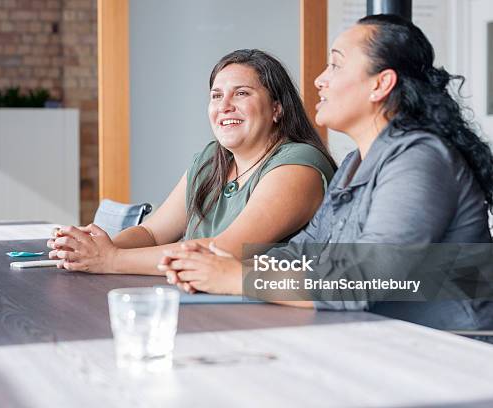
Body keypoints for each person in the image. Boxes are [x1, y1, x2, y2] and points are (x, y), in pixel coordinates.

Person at [161, 15, 493, 331]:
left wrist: (234, 277)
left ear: (381, 84)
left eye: (335, 65)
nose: (320, 80)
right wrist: (210, 262)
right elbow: (304, 252)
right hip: (387, 339)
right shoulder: (354, 164)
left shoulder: (421, 159)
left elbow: (366, 279)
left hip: (456, 348)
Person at [49, 49, 336, 275]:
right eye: (216, 95)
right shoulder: (211, 160)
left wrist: (111, 259)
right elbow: (152, 232)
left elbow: (225, 251)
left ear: (277, 108)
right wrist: (92, 248)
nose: (224, 106)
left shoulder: (299, 165)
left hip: (267, 319)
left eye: (242, 93)